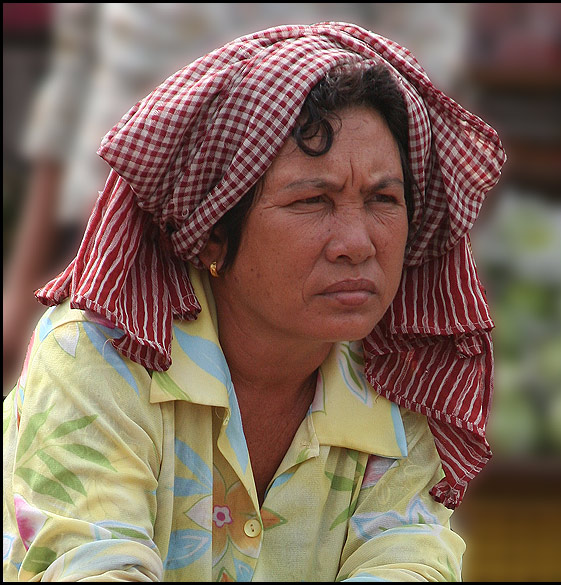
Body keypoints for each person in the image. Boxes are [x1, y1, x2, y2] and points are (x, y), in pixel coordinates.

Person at [2, 22, 505, 581]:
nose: (359, 244)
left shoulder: (403, 378)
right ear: (213, 231)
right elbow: (90, 568)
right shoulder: (97, 357)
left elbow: (408, 563)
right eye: (313, 200)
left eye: (383, 198)